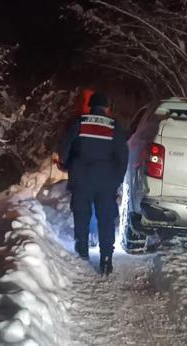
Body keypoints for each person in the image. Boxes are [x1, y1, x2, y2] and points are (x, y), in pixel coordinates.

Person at [58, 91, 128, 275]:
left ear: (90, 106)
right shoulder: (113, 127)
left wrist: (65, 163)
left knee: (81, 213)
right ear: (107, 108)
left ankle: (82, 249)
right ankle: (106, 259)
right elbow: (123, 156)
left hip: (81, 178)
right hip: (105, 181)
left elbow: (64, 149)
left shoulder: (79, 123)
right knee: (106, 218)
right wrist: (117, 179)